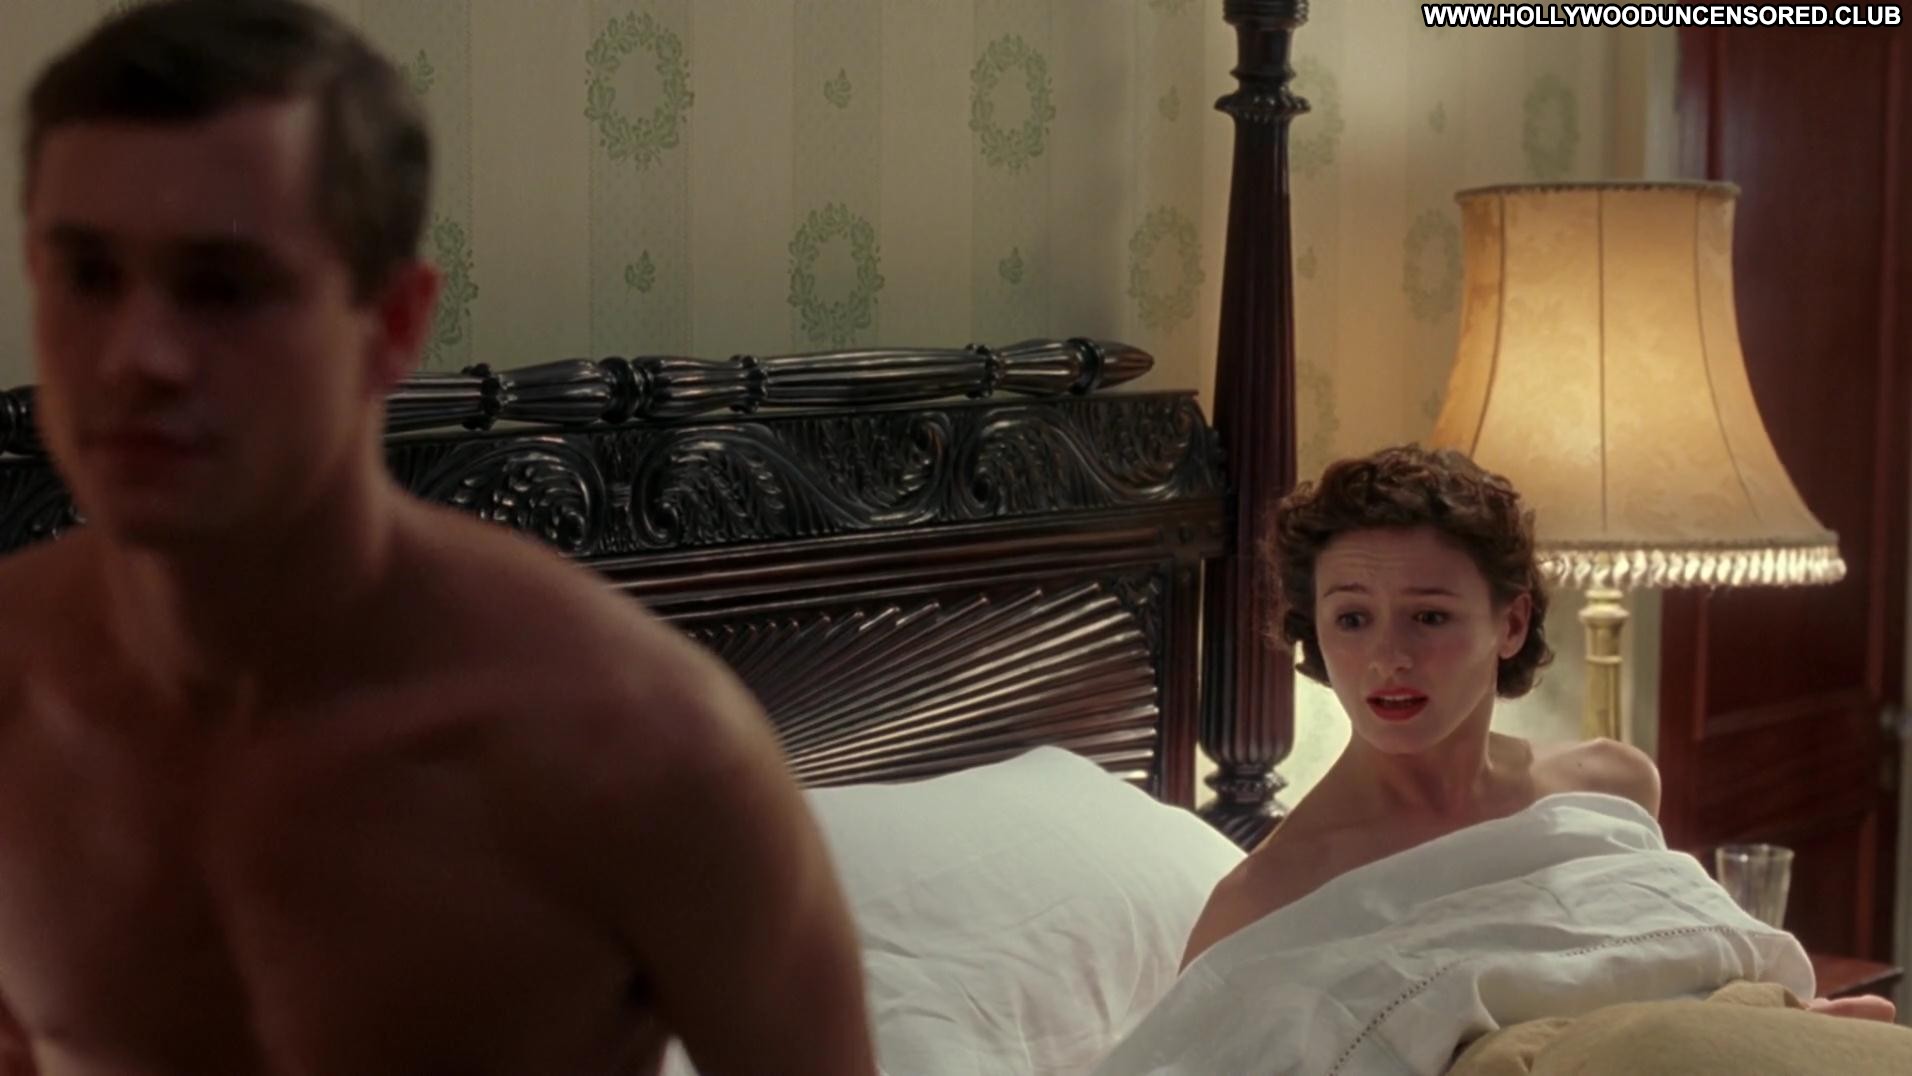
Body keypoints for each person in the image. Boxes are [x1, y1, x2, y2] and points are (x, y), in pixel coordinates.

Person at [0, 2, 877, 1074]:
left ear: (395, 324)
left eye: (224, 288)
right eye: (88, 276)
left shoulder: (641, 747)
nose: (137, 356)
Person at [1177, 445, 1893, 1021]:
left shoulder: (1608, 788)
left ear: (1512, 624)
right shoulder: (1263, 901)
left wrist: (1781, 1022)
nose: (1387, 658)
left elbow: (1662, 975)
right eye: (1352, 619)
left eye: (1429, 616)